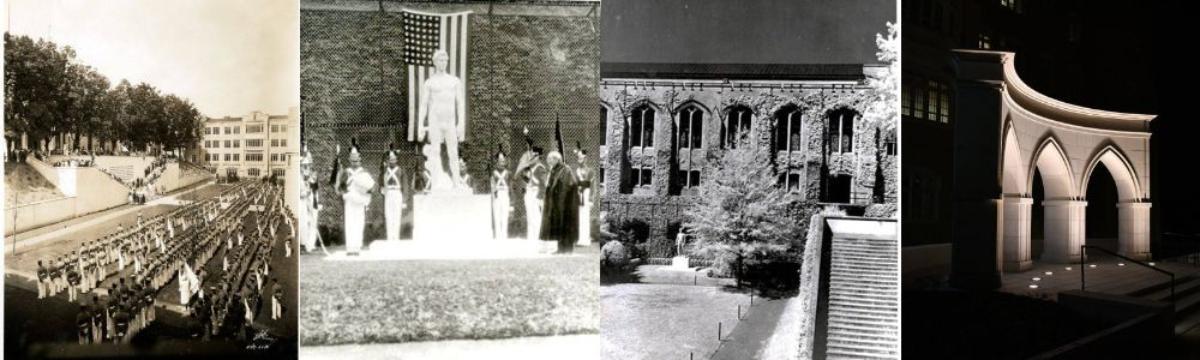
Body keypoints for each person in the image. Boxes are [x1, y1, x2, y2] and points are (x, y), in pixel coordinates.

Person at [417, 49, 466, 189]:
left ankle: (457, 183)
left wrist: (461, 123)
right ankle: (437, 183)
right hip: (435, 121)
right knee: (435, 151)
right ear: (435, 62)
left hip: (450, 121)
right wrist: (420, 125)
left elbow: (460, 104)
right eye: (440, 60)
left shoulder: (454, 81)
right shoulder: (430, 83)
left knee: (453, 152)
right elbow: (424, 105)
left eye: (445, 60)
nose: (443, 62)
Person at [541, 151, 580, 254]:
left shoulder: (565, 169)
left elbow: (571, 184)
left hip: (566, 203)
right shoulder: (555, 170)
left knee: (566, 224)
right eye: (548, 159)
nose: (548, 161)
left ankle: (567, 249)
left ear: (556, 159)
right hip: (557, 203)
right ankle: (561, 248)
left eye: (550, 159)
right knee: (559, 225)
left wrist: (562, 196)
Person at [381, 145, 404, 242]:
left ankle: (396, 237)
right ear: (388, 160)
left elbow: (405, 185)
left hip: (397, 193)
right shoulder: (385, 170)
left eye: (394, 159)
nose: (392, 161)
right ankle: (390, 237)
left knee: (397, 215)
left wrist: (405, 199)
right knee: (389, 215)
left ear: (396, 159)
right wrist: (382, 190)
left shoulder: (400, 170)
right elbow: (381, 181)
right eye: (391, 159)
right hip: (389, 193)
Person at [574, 146, 593, 246]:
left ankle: (586, 239)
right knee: (580, 216)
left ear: (586, 158)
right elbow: (577, 183)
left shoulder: (590, 171)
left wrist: (591, 199)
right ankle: (580, 239)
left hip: (586, 194)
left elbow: (592, 185)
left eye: (581, 158)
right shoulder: (577, 170)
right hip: (579, 194)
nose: (579, 160)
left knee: (585, 216)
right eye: (578, 158)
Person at [491, 148, 511, 241]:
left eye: (503, 160)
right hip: (497, 194)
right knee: (497, 216)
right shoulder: (493, 173)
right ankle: (498, 237)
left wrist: (512, 201)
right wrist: (494, 195)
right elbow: (492, 185)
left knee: (505, 216)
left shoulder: (508, 173)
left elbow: (511, 187)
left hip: (505, 194)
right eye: (500, 160)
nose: (502, 162)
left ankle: (504, 236)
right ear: (497, 161)